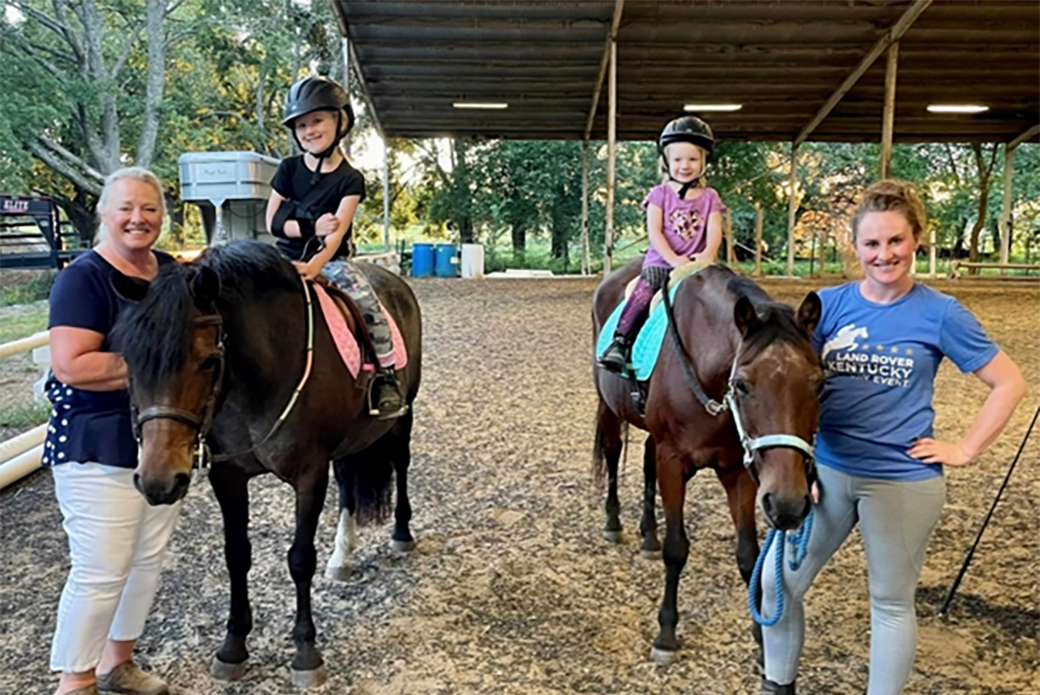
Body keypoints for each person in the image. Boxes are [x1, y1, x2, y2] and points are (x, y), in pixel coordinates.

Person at [756, 180, 1026, 695]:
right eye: (873, 244)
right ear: (855, 247)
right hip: (830, 471)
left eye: (896, 241)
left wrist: (965, 448)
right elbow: (788, 384)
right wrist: (799, 463)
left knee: (890, 601)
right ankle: (777, 686)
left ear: (917, 240)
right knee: (775, 583)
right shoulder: (826, 307)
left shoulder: (940, 313)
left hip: (901, 481)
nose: (885, 255)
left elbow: (1008, 383)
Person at [44, 168, 181, 695]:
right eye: (125, 207)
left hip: (159, 442)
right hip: (97, 442)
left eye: (149, 208)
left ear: (161, 217)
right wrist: (159, 364)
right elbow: (72, 365)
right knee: (101, 568)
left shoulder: (171, 274)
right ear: (104, 214)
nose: (137, 219)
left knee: (146, 560)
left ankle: (117, 663)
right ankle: (75, 680)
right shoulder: (84, 278)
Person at [265, 75, 406, 419]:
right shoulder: (288, 170)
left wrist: (314, 266)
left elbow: (336, 235)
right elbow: (272, 222)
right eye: (301, 125)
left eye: (316, 121)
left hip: (330, 261)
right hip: (283, 257)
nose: (309, 130)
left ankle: (386, 377)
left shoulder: (350, 179)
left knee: (367, 303)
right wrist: (311, 226)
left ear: (340, 121)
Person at [598, 115, 725, 373]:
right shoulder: (659, 194)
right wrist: (675, 261)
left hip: (699, 263)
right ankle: (621, 342)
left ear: (703, 161)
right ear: (667, 161)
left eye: (692, 159)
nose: (685, 165)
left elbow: (714, 233)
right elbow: (655, 232)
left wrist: (707, 256)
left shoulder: (710, 197)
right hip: (662, 262)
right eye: (678, 159)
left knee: (727, 293)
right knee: (645, 289)